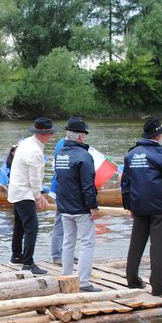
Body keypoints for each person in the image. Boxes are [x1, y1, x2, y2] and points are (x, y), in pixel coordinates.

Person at [121, 117, 162, 296]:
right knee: (158, 247)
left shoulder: (131, 154)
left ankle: (132, 280)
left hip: (139, 207)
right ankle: (158, 287)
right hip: (160, 209)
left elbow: (125, 183)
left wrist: (130, 206)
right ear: (158, 136)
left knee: (136, 244)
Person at [53, 117, 100, 292]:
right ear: (80, 137)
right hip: (81, 207)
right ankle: (84, 282)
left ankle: (66, 277)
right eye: (84, 135)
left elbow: (60, 180)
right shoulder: (84, 156)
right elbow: (88, 185)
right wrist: (93, 206)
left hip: (64, 206)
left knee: (68, 242)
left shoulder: (60, 154)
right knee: (87, 243)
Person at [7, 117, 55, 275]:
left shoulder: (26, 142)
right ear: (43, 134)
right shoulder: (35, 151)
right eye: (50, 133)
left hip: (16, 189)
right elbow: (34, 177)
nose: (52, 136)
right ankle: (28, 263)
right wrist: (38, 196)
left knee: (20, 225)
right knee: (32, 228)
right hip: (24, 191)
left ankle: (16, 255)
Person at [49, 136, 66, 265]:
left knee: (68, 223)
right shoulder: (63, 145)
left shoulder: (62, 143)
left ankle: (65, 253)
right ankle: (57, 256)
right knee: (60, 222)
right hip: (61, 189)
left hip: (61, 188)